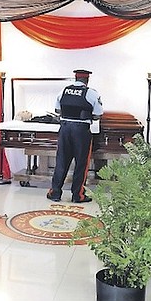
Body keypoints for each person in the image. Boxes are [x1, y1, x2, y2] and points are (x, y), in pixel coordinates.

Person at [47, 69, 104, 203]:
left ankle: (55, 193)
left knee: (61, 161)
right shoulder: (91, 93)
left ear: (75, 78)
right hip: (81, 131)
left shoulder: (64, 91)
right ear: (87, 80)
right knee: (81, 164)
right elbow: (97, 115)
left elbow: (57, 110)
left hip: (65, 128)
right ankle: (77, 195)